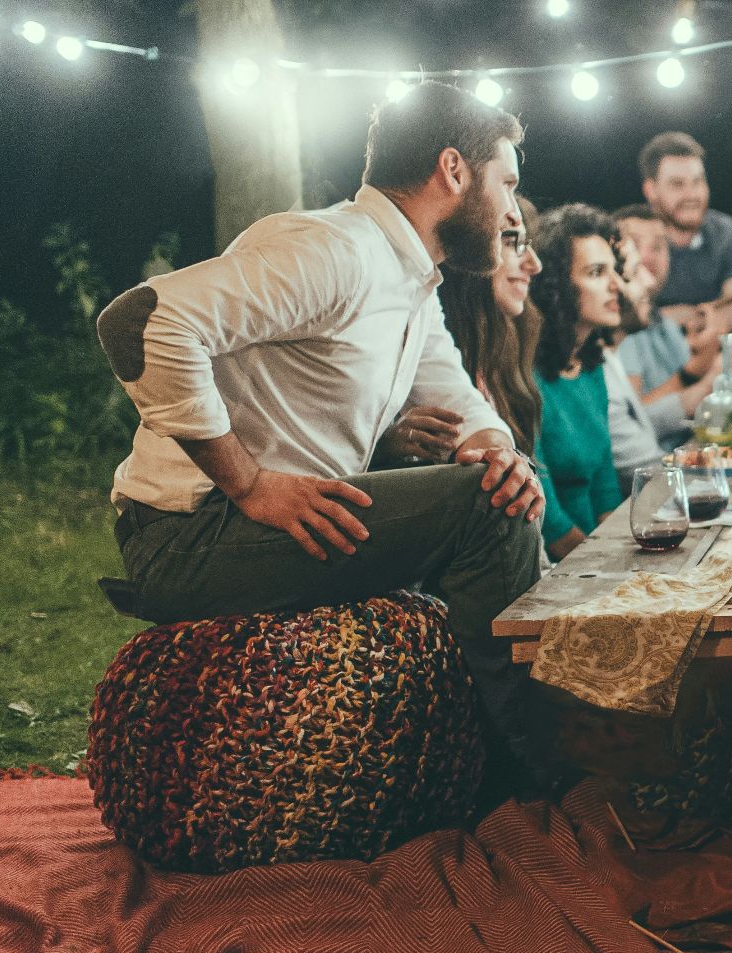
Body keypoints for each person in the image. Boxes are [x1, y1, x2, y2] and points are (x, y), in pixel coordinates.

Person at [92, 82, 554, 788]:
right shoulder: (336, 251)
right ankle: (532, 774)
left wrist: (497, 452)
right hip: (189, 536)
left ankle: (491, 753)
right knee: (487, 511)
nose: (513, 210)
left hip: (271, 528)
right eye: (508, 184)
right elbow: (140, 322)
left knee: (498, 485)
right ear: (454, 170)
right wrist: (248, 482)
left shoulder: (410, 278)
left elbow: (457, 397)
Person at [529, 203, 658, 560]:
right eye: (597, 272)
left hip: (596, 551)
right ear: (556, 285)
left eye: (614, 270)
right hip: (556, 567)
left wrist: (622, 554)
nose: (617, 285)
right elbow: (549, 522)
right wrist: (606, 566)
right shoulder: (526, 376)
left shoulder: (590, 366)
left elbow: (605, 491)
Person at [381, 199, 545, 466]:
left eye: (527, 244)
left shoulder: (506, 353)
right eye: (511, 242)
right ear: (467, 251)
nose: (534, 264)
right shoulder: (414, 349)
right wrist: (380, 447)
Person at [611, 202, 716, 451]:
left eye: (658, 247)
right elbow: (628, 424)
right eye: (634, 245)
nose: (646, 258)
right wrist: (697, 379)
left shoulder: (662, 322)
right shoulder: (619, 327)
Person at [641, 132, 732, 340]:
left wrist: (672, 316)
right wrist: (711, 314)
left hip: (711, 355)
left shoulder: (725, 231)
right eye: (677, 184)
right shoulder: (633, 234)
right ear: (651, 190)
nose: (691, 194)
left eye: (697, 181)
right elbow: (621, 321)